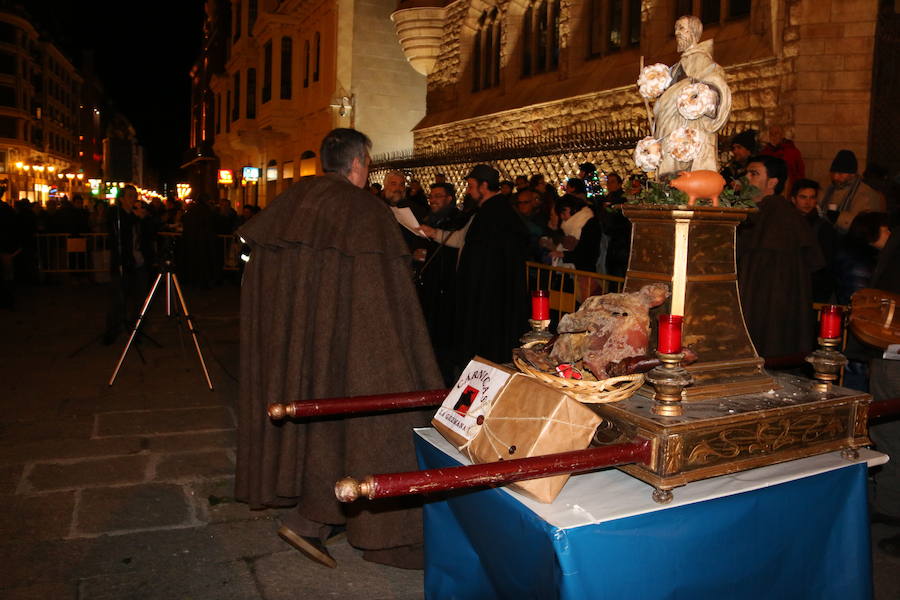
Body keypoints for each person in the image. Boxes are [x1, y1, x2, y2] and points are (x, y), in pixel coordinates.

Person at [235, 128, 443, 569]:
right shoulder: (361, 209)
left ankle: (311, 518)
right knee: (374, 425)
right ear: (357, 164)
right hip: (353, 344)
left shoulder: (294, 201)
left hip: (302, 346)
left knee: (323, 424)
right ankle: (365, 528)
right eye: (367, 163)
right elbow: (381, 301)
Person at [420, 164, 529, 371]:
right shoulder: (485, 211)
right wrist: (433, 233)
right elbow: (465, 242)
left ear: (484, 186)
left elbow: (488, 260)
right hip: (483, 294)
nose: (468, 191)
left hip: (488, 297)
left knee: (486, 343)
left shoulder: (496, 214)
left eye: (471, 186)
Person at [737, 156, 824, 359]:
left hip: (771, 309)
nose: (746, 178)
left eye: (754, 173)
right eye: (747, 172)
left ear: (773, 182)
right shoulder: (756, 212)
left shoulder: (782, 216)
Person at [652, 15, 731, 176]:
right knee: (670, 176)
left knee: (685, 173)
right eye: (675, 28)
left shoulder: (702, 60)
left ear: (693, 31)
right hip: (670, 129)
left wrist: (701, 100)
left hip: (689, 132)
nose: (677, 33)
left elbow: (716, 87)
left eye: (681, 28)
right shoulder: (677, 67)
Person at [103, 185, 157, 345]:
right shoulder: (117, 214)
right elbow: (119, 231)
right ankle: (112, 331)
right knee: (118, 300)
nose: (133, 199)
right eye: (129, 196)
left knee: (140, 299)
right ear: (121, 199)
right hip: (123, 263)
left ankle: (136, 330)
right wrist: (135, 217)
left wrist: (145, 217)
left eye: (135, 195)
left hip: (139, 262)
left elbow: (151, 231)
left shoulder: (139, 216)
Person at [790, 179, 837, 303]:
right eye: (803, 197)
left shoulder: (823, 227)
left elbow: (827, 264)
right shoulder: (786, 223)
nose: (808, 202)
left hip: (813, 289)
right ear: (793, 199)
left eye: (812, 197)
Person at [820, 149, 886, 233]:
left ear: (852, 174)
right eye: (834, 172)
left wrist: (839, 218)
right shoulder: (829, 187)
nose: (835, 177)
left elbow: (866, 225)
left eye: (840, 173)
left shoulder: (865, 193)